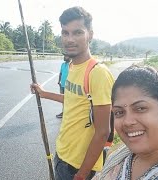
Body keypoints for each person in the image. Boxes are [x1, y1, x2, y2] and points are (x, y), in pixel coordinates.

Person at [31, 6, 114, 180]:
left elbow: (102, 131)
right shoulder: (72, 66)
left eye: (77, 32)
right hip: (62, 153)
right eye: (65, 33)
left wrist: (82, 174)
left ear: (90, 34)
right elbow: (73, 100)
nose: (70, 39)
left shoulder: (97, 73)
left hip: (77, 165)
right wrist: (44, 93)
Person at [56, 54, 71, 118]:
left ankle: (68, 113)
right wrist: (59, 81)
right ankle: (64, 112)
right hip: (62, 84)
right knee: (62, 100)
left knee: (68, 100)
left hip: (68, 86)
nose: (64, 57)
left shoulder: (71, 65)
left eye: (66, 56)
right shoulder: (63, 64)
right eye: (64, 56)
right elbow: (61, 73)